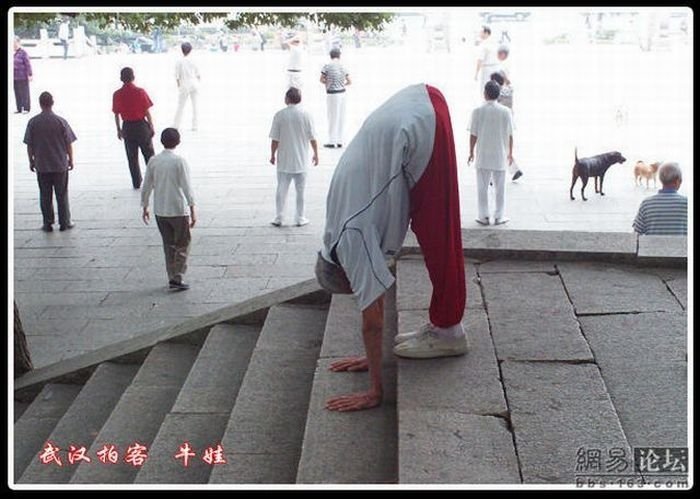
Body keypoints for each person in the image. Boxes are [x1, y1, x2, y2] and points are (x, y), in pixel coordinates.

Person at [315, 84, 467, 412]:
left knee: (439, 235)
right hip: (421, 102)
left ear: (344, 271)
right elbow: (374, 302)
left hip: (420, 128)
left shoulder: (351, 241)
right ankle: (444, 324)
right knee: (436, 231)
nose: (360, 291)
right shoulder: (334, 230)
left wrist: (374, 390)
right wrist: (372, 357)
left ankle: (449, 331)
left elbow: (373, 319)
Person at [141, 128, 196, 291]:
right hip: (177, 209)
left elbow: (147, 185)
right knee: (183, 243)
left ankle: (171, 275)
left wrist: (145, 206)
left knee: (168, 244)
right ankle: (178, 276)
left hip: (160, 210)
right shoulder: (179, 161)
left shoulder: (153, 161)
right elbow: (187, 187)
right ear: (178, 142)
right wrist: (192, 207)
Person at [23, 91, 77, 232]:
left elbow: (29, 144)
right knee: (62, 194)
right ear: (52, 103)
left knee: (45, 194)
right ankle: (64, 222)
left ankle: (48, 223)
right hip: (60, 164)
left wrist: (31, 161)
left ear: (40, 104)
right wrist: (71, 159)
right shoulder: (61, 121)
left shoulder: (33, 122)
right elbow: (68, 143)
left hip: (42, 165)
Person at [268, 87, 319, 227]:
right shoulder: (306, 115)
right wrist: (316, 153)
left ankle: (279, 217)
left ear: (287, 99)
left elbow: (275, 139)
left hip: (284, 160)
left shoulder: (279, 115)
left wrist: (272, 155)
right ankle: (300, 218)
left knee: (281, 190)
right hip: (301, 160)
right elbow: (312, 138)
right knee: (300, 191)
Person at [468, 80, 514, 226]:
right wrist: (510, 153)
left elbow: (473, 135)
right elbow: (510, 135)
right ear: (498, 94)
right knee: (500, 189)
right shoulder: (506, 112)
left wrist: (471, 152)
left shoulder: (477, 111)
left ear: (485, 94)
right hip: (500, 155)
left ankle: (483, 216)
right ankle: (499, 216)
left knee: (482, 188)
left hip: (483, 155)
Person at [112, 67, 156, 189]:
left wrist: (119, 129)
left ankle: (136, 182)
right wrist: (151, 126)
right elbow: (147, 111)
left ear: (121, 78)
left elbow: (116, 114)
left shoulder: (117, 94)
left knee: (132, 156)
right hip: (141, 126)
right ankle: (154, 180)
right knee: (149, 154)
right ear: (133, 77)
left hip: (127, 127)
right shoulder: (140, 92)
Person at [633, 162, 687, 235]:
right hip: (680, 246)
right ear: (678, 181)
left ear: (660, 180)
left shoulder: (646, 204)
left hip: (652, 246)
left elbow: (636, 232)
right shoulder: (687, 204)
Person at [489, 71, 523, 182]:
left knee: (496, 148)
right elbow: (509, 83)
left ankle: (491, 176)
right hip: (509, 122)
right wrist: (505, 78)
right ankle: (515, 169)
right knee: (505, 147)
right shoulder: (509, 90)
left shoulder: (497, 93)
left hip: (499, 123)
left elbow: (492, 104)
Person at [320, 48, 351, 149]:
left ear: (330, 56)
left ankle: (332, 141)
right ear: (339, 56)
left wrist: (329, 83)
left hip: (332, 94)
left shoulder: (327, 66)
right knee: (341, 118)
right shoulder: (343, 66)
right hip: (342, 94)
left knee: (332, 117)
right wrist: (342, 84)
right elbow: (349, 81)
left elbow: (321, 79)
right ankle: (340, 140)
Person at [173, 42, 201, 131]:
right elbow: (198, 75)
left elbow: (177, 76)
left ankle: (176, 125)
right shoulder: (194, 61)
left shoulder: (179, 62)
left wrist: (179, 86)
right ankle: (195, 126)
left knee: (180, 106)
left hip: (184, 84)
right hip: (194, 83)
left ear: (182, 50)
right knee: (195, 105)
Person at [474, 26, 498, 95]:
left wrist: (476, 73)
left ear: (486, 33)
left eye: (481, 32)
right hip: (495, 68)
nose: (479, 34)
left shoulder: (484, 45)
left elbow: (480, 60)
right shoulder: (494, 42)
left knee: (485, 89)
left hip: (486, 69)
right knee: (494, 89)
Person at [13, 36, 33, 114]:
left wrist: (30, 74)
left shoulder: (23, 53)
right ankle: (19, 108)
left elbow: (28, 64)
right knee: (17, 93)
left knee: (24, 93)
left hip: (22, 76)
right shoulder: (12, 53)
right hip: (14, 77)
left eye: (15, 43)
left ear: (18, 43)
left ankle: (26, 108)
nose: (14, 45)